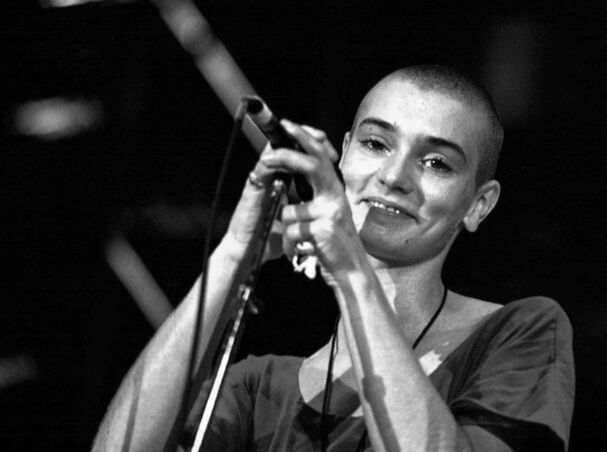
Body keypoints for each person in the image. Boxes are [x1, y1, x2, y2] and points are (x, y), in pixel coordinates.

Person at [92, 65, 575, 452]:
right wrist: (237, 251)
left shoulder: (521, 331)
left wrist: (351, 271)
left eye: (436, 163)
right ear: (343, 157)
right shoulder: (260, 388)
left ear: (477, 205)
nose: (393, 175)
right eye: (375, 143)